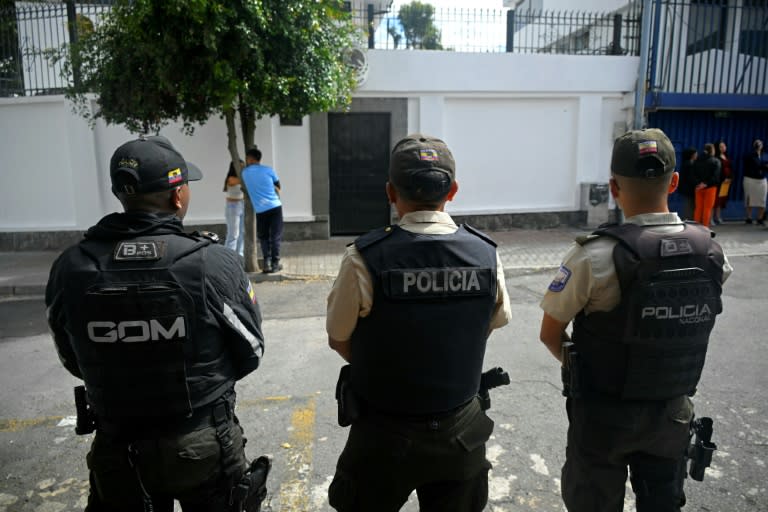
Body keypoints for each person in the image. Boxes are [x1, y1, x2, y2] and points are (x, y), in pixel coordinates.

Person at [45, 135, 269, 511]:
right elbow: (251, 351)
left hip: (118, 447)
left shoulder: (71, 266)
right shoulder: (212, 262)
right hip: (201, 441)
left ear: (121, 193)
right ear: (177, 196)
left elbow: (71, 357)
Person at [539, 128, 732, 512]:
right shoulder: (710, 251)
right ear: (675, 182)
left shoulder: (594, 257)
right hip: (672, 413)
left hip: (603, 415)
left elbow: (550, 334)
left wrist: (594, 370)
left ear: (613, 186)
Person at [326, 134, 511, 512]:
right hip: (461, 432)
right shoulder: (486, 255)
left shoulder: (364, 257)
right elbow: (492, 322)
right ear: (453, 190)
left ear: (391, 192)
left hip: (382, 435)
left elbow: (339, 338)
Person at [240, 147, 284, 273]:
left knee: (264, 237)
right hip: (275, 207)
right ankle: (275, 263)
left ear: (250, 159)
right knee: (275, 236)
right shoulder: (269, 170)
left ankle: (267, 263)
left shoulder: (245, 173)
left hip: (260, 210)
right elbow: (278, 186)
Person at [692, 142, 721, 227]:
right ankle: (705, 227)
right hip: (710, 187)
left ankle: (696, 227)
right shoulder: (716, 161)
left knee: (698, 208)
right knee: (707, 209)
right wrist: (706, 184)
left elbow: (693, 174)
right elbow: (716, 176)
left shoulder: (697, 160)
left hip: (698, 187)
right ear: (712, 150)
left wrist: (699, 183)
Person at [743, 139, 767, 226]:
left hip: (762, 181)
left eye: (760, 143)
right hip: (750, 180)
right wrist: (763, 165)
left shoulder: (765, 155)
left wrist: (763, 166)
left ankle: (759, 218)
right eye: (757, 143)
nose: (758, 145)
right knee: (749, 199)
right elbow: (753, 165)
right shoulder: (749, 155)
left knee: (762, 200)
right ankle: (748, 218)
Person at [224, 160, 245, 257]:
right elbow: (237, 181)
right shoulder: (231, 178)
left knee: (242, 232)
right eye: (240, 166)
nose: (242, 168)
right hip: (233, 206)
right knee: (233, 234)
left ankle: (239, 254)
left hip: (242, 204)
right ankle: (229, 255)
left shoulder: (242, 177)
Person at [712, 140, 732, 225]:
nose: (723, 148)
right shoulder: (716, 157)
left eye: (724, 146)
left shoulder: (726, 156)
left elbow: (730, 168)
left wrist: (730, 178)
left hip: (726, 183)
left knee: (721, 201)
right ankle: (711, 218)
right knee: (715, 201)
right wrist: (723, 178)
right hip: (719, 182)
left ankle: (718, 217)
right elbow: (717, 171)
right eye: (721, 146)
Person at [677, 146, 697, 220]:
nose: (696, 155)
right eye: (695, 154)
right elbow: (690, 177)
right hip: (689, 188)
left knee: (689, 204)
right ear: (692, 155)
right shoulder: (689, 164)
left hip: (686, 188)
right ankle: (688, 219)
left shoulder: (686, 163)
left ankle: (688, 219)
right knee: (689, 205)